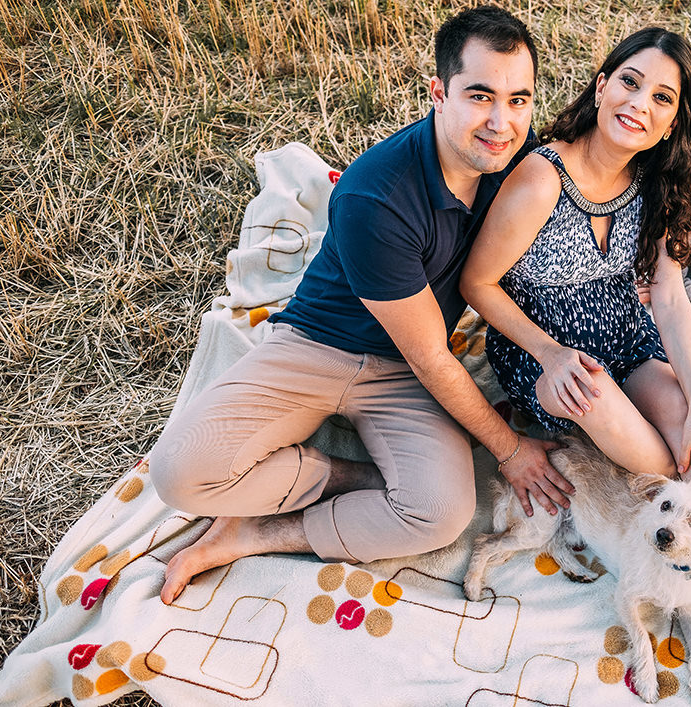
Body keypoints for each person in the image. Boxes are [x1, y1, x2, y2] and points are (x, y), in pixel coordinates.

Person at [150, 5, 577, 607]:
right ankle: (338, 475)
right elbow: (433, 358)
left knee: (442, 512)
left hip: (402, 371)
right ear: (438, 92)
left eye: (518, 100)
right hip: (320, 347)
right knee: (179, 474)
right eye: (480, 96)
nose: (501, 122)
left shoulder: (515, 161)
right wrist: (509, 450)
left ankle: (258, 532)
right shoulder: (375, 196)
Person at [459, 28, 691, 703]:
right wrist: (547, 351)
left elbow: (667, 295)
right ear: (602, 85)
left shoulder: (656, 179)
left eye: (662, 97)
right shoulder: (543, 177)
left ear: (673, 121)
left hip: (626, 336)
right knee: (663, 471)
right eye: (630, 82)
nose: (640, 103)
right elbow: (478, 285)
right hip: (555, 357)